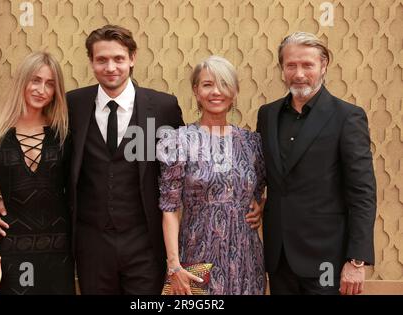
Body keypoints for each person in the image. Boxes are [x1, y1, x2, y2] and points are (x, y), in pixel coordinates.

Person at [0, 25, 184, 294]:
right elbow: (43, 157)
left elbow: (184, 170)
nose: (110, 67)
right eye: (101, 59)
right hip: (91, 244)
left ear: (132, 58)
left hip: (145, 244)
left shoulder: (163, 107)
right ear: (91, 63)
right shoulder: (73, 105)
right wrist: (6, 198)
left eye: (118, 58)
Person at [254, 32, 376, 295]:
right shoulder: (267, 114)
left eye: (307, 65)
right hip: (279, 257)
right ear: (282, 68)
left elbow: (362, 193)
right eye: (291, 65)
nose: (299, 74)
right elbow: (266, 173)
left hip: (327, 258)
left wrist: (356, 260)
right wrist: (256, 200)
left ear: (323, 65)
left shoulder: (348, 117)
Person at [157, 56, 266, 295]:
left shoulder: (251, 142)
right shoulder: (178, 141)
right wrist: (173, 264)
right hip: (197, 255)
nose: (216, 92)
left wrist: (262, 206)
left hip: (246, 258)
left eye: (224, 84)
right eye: (207, 85)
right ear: (196, 91)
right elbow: (170, 208)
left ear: (235, 91)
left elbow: (267, 188)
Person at [0, 51, 75, 294]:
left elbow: (73, 191)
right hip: (11, 249)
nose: (42, 90)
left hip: (58, 251)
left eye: (50, 84)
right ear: (22, 82)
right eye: (35, 80)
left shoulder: (64, 135)